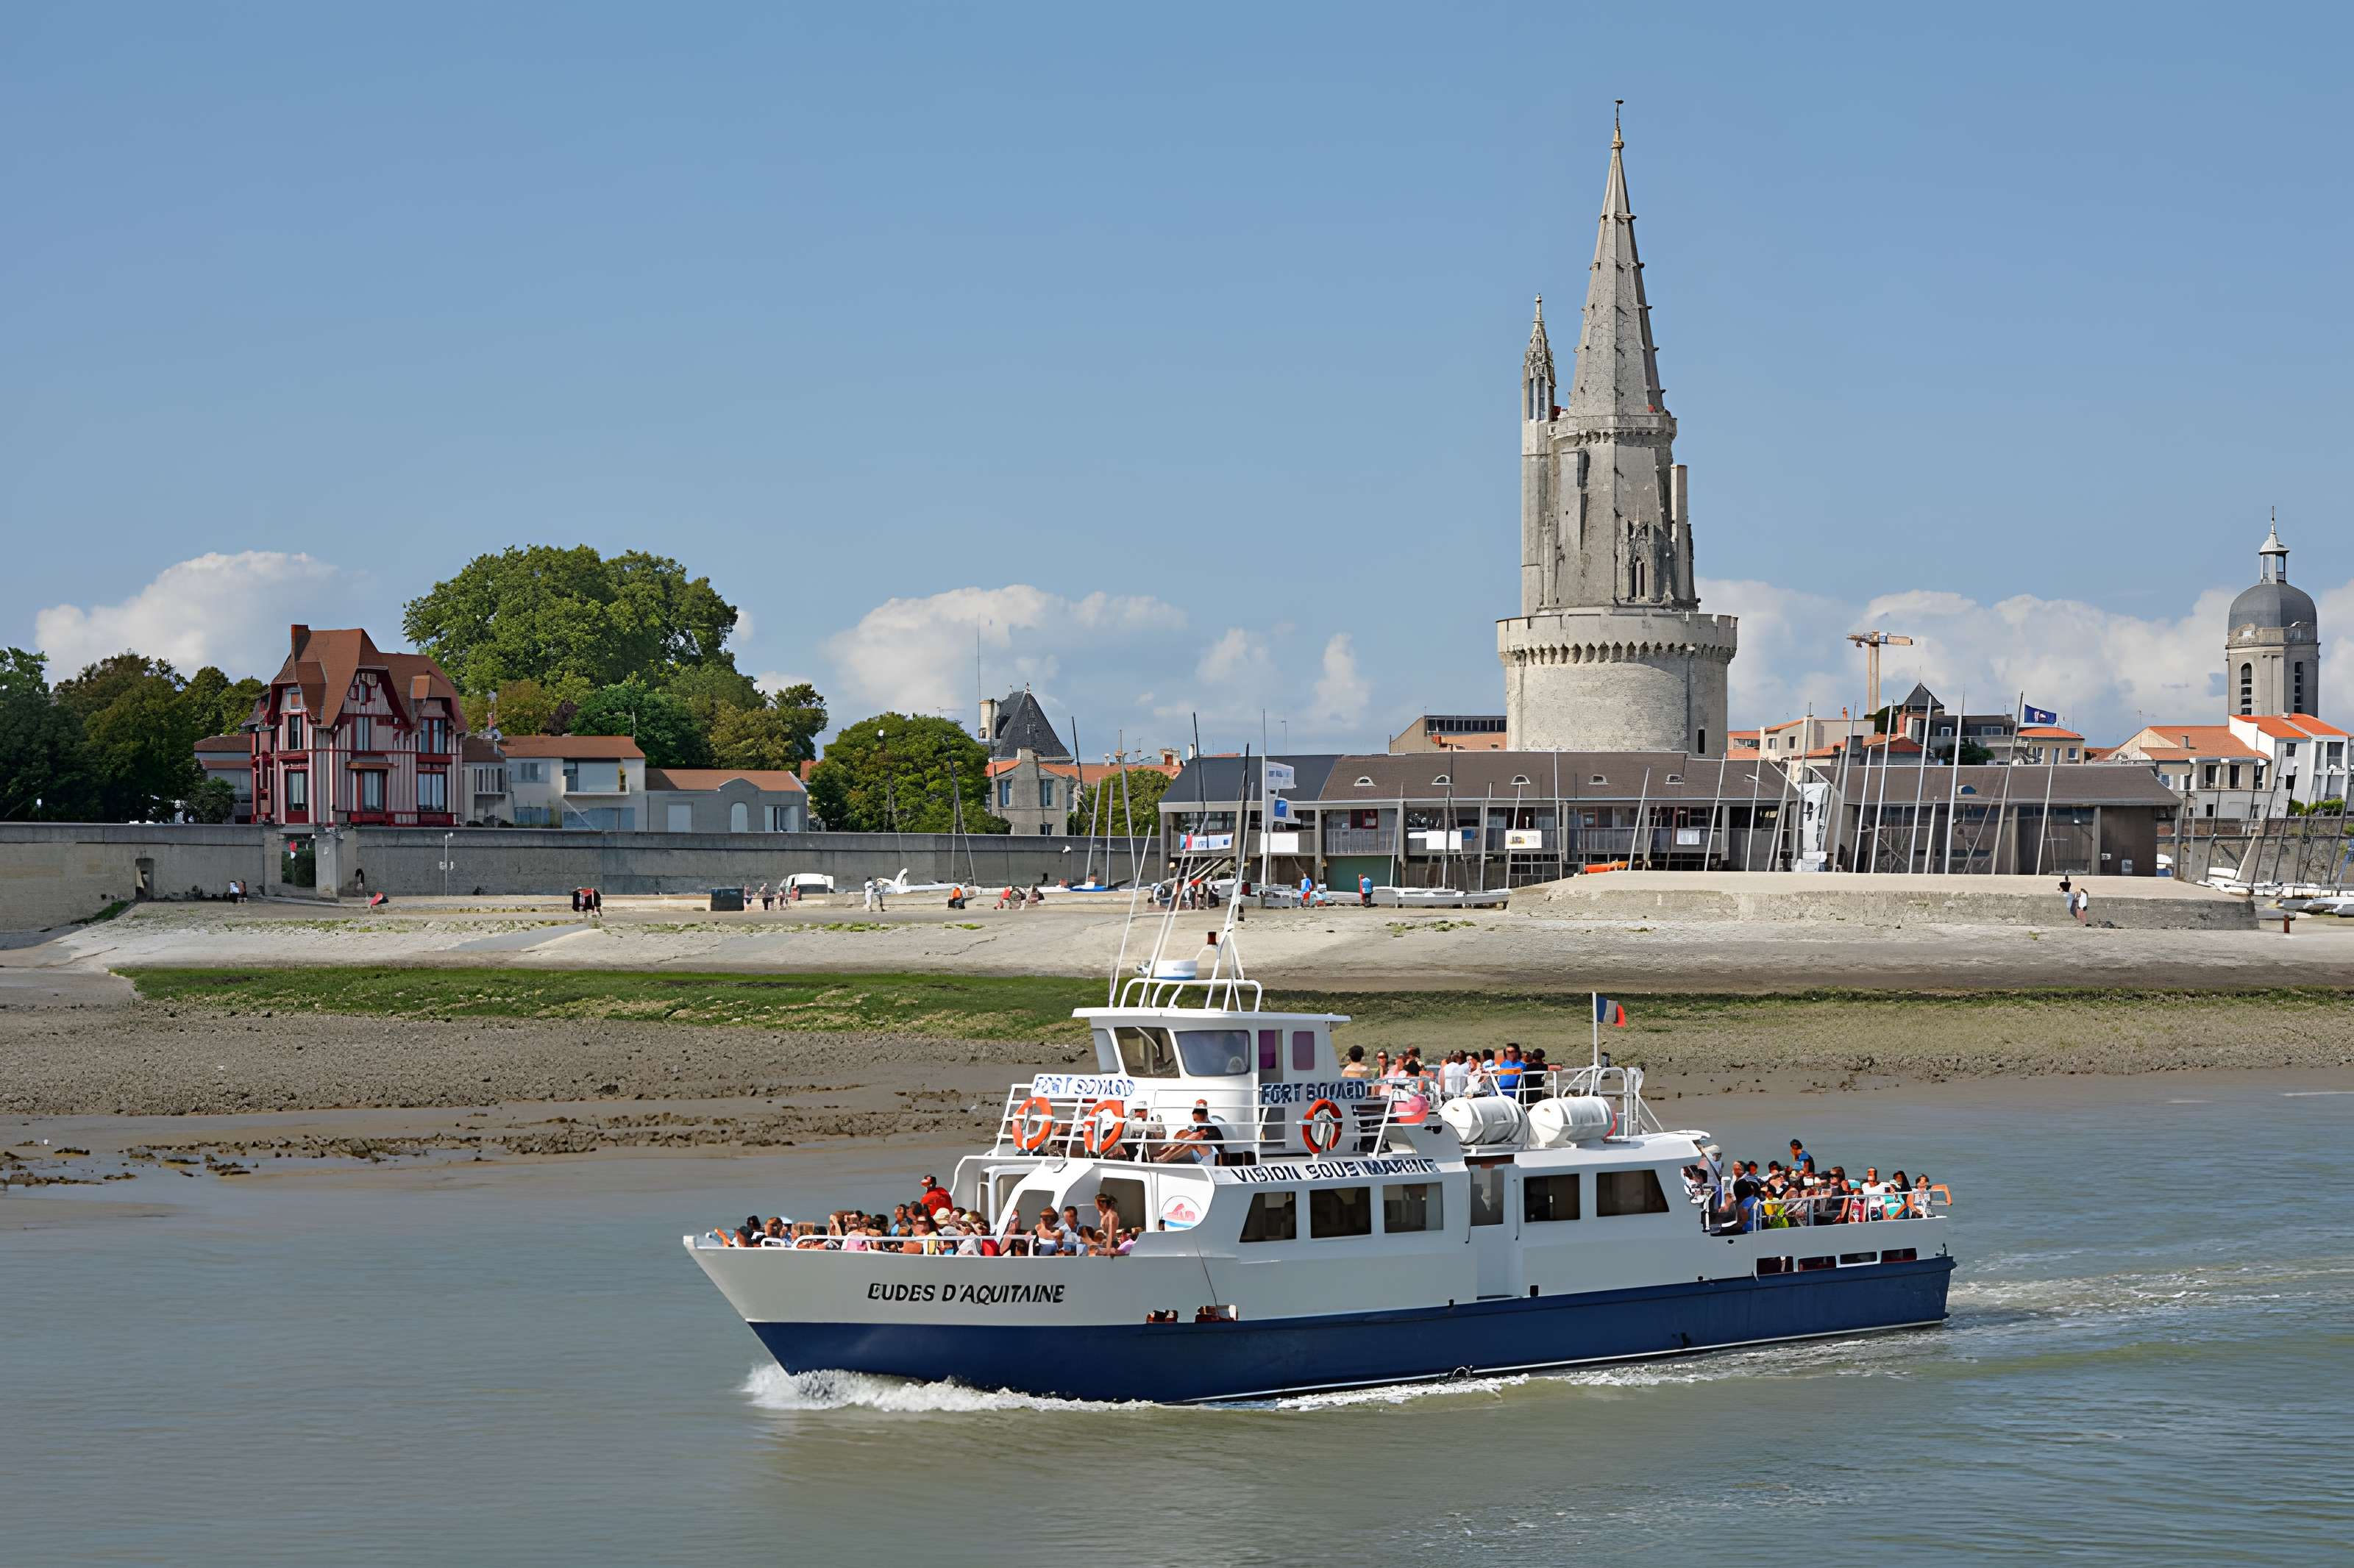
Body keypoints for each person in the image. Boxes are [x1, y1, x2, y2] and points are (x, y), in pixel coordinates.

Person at [1153, 1101, 1223, 1164]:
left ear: (1205, 1117)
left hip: (1214, 1156)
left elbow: (1196, 1136)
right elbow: (1187, 1134)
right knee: (1189, 1143)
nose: (1196, 1122)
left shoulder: (1212, 1128)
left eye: (1197, 1120)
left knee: (1190, 1143)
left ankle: (1165, 1158)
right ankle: (1166, 1158)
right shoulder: (1200, 1126)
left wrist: (1173, 1144)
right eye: (1195, 1120)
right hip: (1204, 1154)